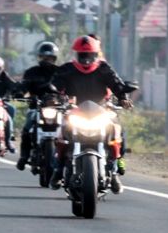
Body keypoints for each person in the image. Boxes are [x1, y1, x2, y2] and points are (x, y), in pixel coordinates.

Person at [51, 35, 134, 181]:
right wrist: (52, 97)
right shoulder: (67, 69)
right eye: (83, 55)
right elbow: (54, 86)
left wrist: (123, 98)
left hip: (101, 110)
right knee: (61, 132)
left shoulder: (104, 68)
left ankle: (117, 163)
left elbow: (117, 84)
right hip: (75, 110)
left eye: (89, 55)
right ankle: (59, 167)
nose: (86, 59)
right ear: (77, 54)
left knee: (117, 129)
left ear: (96, 54)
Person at [15, 41, 61, 170]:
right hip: (36, 107)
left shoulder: (60, 72)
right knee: (27, 128)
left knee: (70, 128)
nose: (46, 60)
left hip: (57, 108)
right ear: (39, 57)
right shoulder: (31, 72)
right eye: (43, 57)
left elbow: (70, 87)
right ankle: (24, 156)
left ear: (54, 58)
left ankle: (69, 157)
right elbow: (24, 85)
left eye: (49, 58)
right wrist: (20, 92)